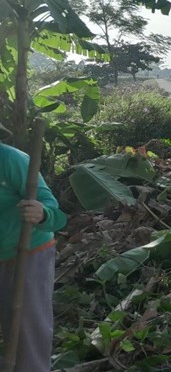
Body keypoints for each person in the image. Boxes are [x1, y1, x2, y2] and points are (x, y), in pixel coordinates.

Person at [0, 122, 66, 372]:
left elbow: (56, 214)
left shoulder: (12, 160)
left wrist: (41, 213)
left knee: (26, 331)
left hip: (28, 253)